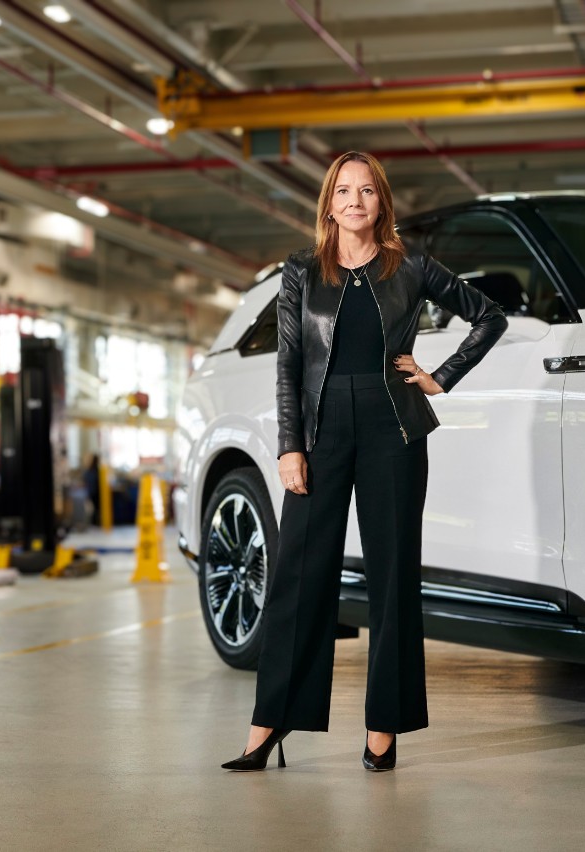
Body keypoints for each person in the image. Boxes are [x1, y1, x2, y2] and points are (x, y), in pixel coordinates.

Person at [221, 151, 507, 772]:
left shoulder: (411, 266)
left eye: (367, 191)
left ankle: (384, 728)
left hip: (392, 428)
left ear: (382, 203)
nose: (355, 201)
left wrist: (441, 377)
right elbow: (288, 364)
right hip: (320, 431)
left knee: (393, 578)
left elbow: (489, 315)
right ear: (329, 204)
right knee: (299, 575)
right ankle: (270, 722)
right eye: (344, 191)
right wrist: (290, 445)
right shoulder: (301, 270)